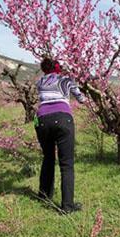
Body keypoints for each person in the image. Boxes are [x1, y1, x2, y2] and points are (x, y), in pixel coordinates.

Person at [34, 58, 85, 214]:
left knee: (48, 157)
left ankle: (44, 195)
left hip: (42, 120)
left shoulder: (40, 81)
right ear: (58, 68)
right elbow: (81, 98)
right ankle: (67, 206)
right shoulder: (66, 80)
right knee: (66, 164)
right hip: (62, 118)